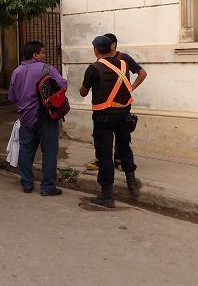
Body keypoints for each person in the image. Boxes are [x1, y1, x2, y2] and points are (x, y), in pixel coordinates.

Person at [80, 36, 142, 208]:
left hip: (104, 118)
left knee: (105, 154)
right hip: (124, 115)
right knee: (125, 149)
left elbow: (83, 92)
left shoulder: (94, 68)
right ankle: (132, 184)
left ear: (96, 51)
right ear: (112, 48)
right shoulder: (124, 64)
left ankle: (107, 196)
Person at [8, 41, 68, 196]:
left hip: (25, 117)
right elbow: (63, 86)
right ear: (35, 55)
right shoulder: (47, 69)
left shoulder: (16, 72)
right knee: (49, 151)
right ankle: (47, 187)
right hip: (46, 117)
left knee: (26, 150)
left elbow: (12, 97)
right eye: (43, 52)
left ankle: (27, 184)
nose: (44, 55)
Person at [85, 33, 147, 172]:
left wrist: (130, 88)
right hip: (104, 108)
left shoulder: (124, 59)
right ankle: (100, 161)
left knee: (121, 139)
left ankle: (119, 161)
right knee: (102, 140)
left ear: (113, 45)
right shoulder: (100, 61)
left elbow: (142, 73)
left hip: (120, 107)